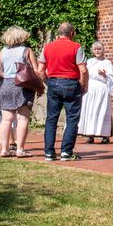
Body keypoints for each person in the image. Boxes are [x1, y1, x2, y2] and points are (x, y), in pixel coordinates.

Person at [39, 22, 88, 161]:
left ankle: (49, 152)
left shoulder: (47, 47)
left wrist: (47, 82)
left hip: (53, 82)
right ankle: (66, 151)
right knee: (72, 118)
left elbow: (40, 70)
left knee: (51, 119)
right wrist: (83, 85)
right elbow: (83, 70)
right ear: (72, 33)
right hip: (71, 83)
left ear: (58, 33)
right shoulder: (76, 47)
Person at [0, 26, 37, 158]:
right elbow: (35, 70)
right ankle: (20, 149)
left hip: (6, 84)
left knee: (6, 119)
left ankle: (4, 149)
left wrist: (8, 75)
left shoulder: (3, 51)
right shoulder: (27, 50)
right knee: (22, 118)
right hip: (22, 85)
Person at [78, 41, 113, 144]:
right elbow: (83, 73)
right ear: (93, 51)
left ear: (103, 50)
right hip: (90, 88)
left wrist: (104, 75)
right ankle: (90, 135)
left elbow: (111, 77)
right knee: (90, 110)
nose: (97, 51)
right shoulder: (89, 61)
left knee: (102, 110)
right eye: (95, 49)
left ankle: (105, 135)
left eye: (99, 49)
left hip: (101, 89)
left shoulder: (107, 62)